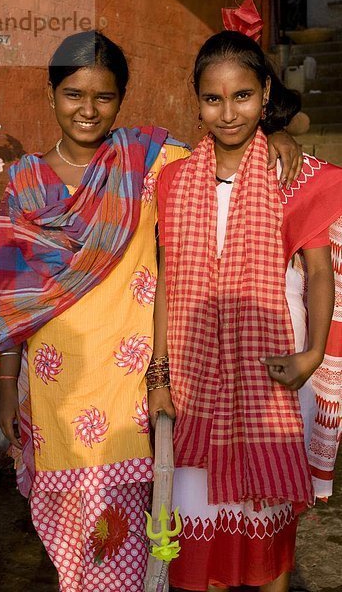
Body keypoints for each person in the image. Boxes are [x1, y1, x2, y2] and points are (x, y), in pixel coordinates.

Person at [0, 30, 304, 592]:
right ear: (51, 93)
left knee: (144, 527)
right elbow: (12, 293)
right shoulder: (27, 181)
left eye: (103, 97)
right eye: (73, 94)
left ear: (121, 100)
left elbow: (228, 139)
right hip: (60, 386)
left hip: (133, 384)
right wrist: (9, 383)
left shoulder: (147, 160)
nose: (88, 110)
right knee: (73, 536)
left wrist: (276, 133)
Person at [151, 30, 342, 592]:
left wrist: (309, 357)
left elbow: (317, 272)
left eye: (242, 96)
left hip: (271, 378)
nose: (228, 112)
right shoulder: (174, 179)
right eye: (213, 98)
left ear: (264, 94)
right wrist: (159, 374)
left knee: (269, 551)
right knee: (197, 540)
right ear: (197, 101)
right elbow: (168, 282)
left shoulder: (294, 177)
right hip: (192, 380)